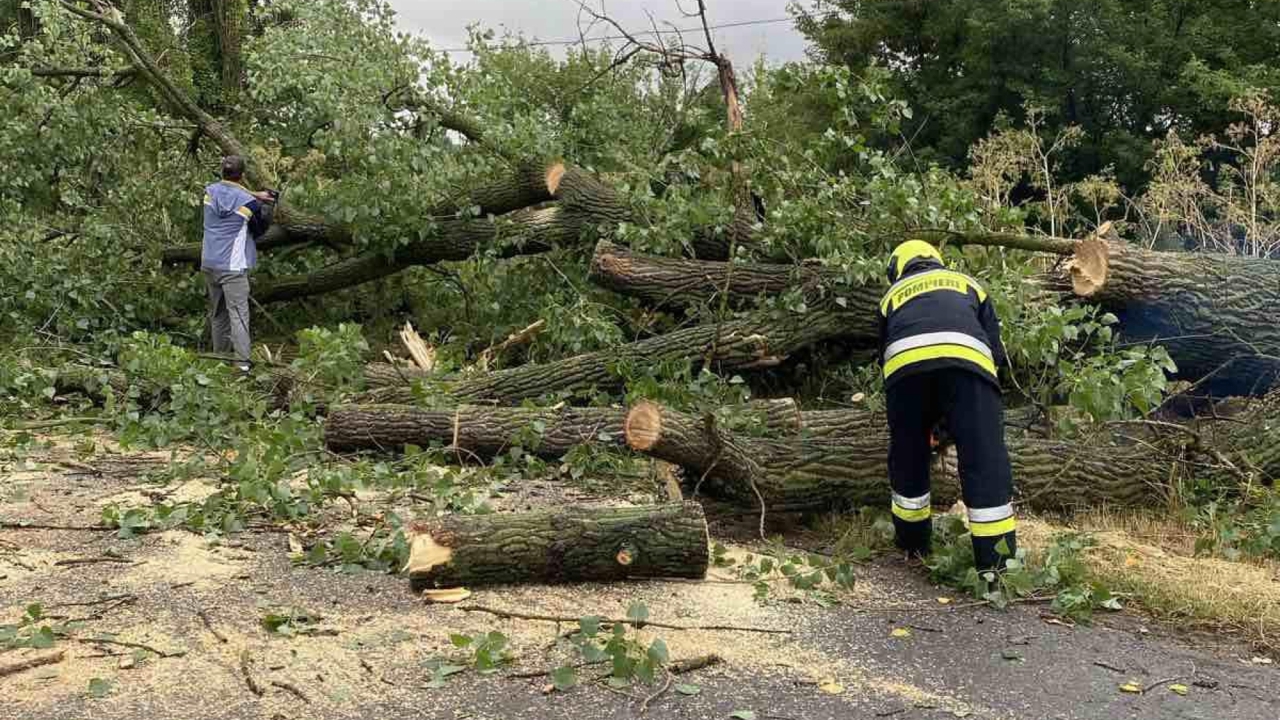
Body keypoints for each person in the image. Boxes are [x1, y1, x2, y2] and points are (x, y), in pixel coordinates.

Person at [878, 239, 1016, 573]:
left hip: (905, 372)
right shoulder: (970, 285)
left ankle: (913, 545)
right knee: (984, 458)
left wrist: (927, 421)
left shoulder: (891, 296)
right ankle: (996, 565)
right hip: (969, 367)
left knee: (908, 454)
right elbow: (994, 351)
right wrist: (963, 416)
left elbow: (883, 351)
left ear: (898, 267)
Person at [201, 155, 275, 372]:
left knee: (218, 315)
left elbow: (229, 191)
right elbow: (260, 230)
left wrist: (255, 194)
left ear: (222, 173)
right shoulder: (249, 203)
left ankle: (220, 364)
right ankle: (242, 366)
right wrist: (266, 203)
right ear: (242, 176)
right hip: (232, 267)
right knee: (239, 316)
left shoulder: (209, 191)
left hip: (209, 262)